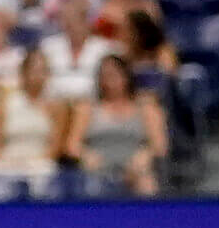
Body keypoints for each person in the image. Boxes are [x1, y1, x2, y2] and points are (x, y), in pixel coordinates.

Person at [66, 53, 167, 196]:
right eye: (105, 76)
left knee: (147, 184)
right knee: (90, 186)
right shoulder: (87, 108)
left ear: (126, 76)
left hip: (136, 169)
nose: (109, 81)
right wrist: (86, 155)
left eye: (114, 75)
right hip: (97, 169)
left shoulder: (146, 107)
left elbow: (159, 146)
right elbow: (72, 146)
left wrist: (145, 156)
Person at [0, 48, 65, 200]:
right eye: (34, 70)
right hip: (7, 162)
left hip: (40, 164)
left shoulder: (56, 106)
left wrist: (33, 163)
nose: (38, 75)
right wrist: (7, 162)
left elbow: (55, 147)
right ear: (23, 73)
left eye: (43, 71)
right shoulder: (4, 103)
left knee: (46, 175)